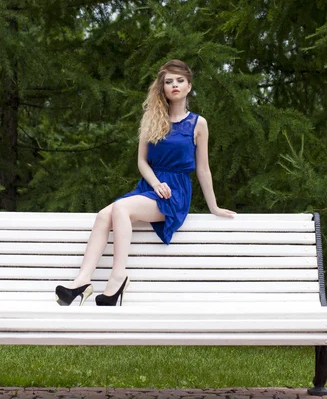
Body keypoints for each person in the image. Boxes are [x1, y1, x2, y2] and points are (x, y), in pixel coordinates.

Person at [55, 59, 236, 307]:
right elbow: (142, 162)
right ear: (161, 88)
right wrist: (155, 182)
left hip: (175, 192)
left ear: (189, 86)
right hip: (150, 186)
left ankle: (118, 278)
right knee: (102, 216)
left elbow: (203, 168)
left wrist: (213, 206)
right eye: (168, 81)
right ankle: (82, 281)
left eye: (179, 81)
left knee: (121, 208)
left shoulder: (198, 123)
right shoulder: (151, 119)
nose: (174, 85)